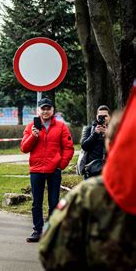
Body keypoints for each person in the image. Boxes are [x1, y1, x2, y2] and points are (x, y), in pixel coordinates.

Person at [39, 111, 136, 269]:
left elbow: (51, 251)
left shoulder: (89, 194)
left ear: (110, 143)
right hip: (93, 170)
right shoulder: (91, 129)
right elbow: (84, 146)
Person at [20, 98, 74, 242]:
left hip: (54, 170)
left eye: (48, 108)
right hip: (36, 170)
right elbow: (24, 148)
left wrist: (60, 165)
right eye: (42, 109)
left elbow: (68, 148)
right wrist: (33, 136)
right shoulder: (31, 126)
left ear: (52, 110)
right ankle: (38, 231)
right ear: (38, 110)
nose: (45, 111)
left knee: (54, 202)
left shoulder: (61, 127)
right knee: (36, 203)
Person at [80, 105, 111, 179]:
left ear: (109, 117)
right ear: (96, 116)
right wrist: (95, 134)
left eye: (105, 116)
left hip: (109, 169)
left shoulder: (115, 129)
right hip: (92, 169)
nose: (103, 118)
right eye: (100, 116)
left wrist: (108, 134)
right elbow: (84, 146)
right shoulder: (89, 129)